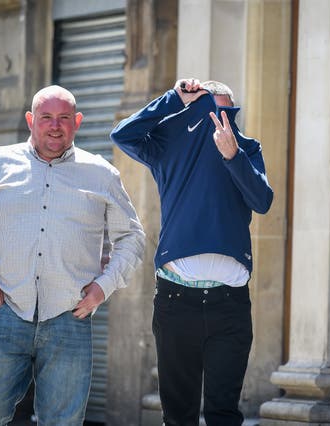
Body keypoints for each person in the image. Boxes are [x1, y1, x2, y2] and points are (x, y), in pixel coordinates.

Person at [0, 85, 145, 425]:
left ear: (77, 122)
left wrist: (102, 288)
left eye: (64, 118)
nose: (55, 126)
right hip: (4, 312)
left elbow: (132, 238)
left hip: (70, 317)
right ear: (30, 120)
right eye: (46, 117)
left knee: (63, 422)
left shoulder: (101, 174)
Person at [110, 78, 273, 425]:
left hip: (230, 305)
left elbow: (263, 201)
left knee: (223, 414)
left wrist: (233, 156)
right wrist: (172, 99)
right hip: (175, 302)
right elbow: (122, 135)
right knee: (178, 415)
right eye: (212, 112)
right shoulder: (170, 144)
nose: (220, 121)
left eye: (228, 113)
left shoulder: (246, 149)